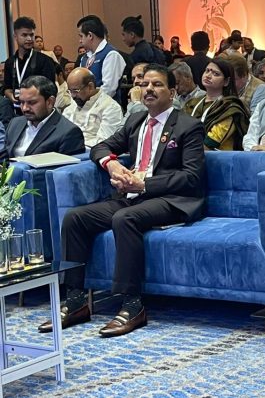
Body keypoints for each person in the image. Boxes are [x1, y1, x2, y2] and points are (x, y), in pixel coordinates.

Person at [38, 63, 206, 337]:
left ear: (172, 91)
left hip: (171, 199)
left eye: (157, 84)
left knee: (124, 218)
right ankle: (76, 300)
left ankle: (132, 305)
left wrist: (144, 184)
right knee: (75, 218)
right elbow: (101, 146)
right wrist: (112, 164)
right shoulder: (135, 121)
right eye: (144, 84)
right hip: (132, 196)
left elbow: (192, 177)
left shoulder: (189, 126)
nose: (148, 89)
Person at [0, 75, 85, 161]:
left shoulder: (69, 133)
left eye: (31, 103)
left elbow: (68, 168)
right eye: (22, 102)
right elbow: (3, 157)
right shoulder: (15, 123)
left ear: (50, 102)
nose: (25, 108)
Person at [184, 58, 249, 151]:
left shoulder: (229, 108)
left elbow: (210, 143)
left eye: (216, 74)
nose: (208, 75)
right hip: (188, 152)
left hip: (216, 157)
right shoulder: (192, 103)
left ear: (226, 81)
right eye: (207, 71)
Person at [62, 67, 123, 147]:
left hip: (92, 151)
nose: (72, 96)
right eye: (70, 91)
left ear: (90, 86)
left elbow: (105, 142)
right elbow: (62, 132)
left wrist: (75, 144)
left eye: (75, 91)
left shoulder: (110, 107)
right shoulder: (74, 103)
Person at [3, 17, 56, 106]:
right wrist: (11, 96)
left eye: (31, 35)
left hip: (37, 109)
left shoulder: (45, 61)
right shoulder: (9, 62)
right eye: (24, 35)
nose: (29, 39)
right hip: (15, 110)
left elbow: (51, 90)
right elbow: (7, 88)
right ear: (15, 36)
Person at [78, 15, 126, 100]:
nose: (80, 41)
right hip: (87, 105)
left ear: (90, 35)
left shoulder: (111, 54)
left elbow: (109, 89)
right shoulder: (84, 58)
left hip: (105, 106)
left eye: (81, 36)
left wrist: (88, 101)